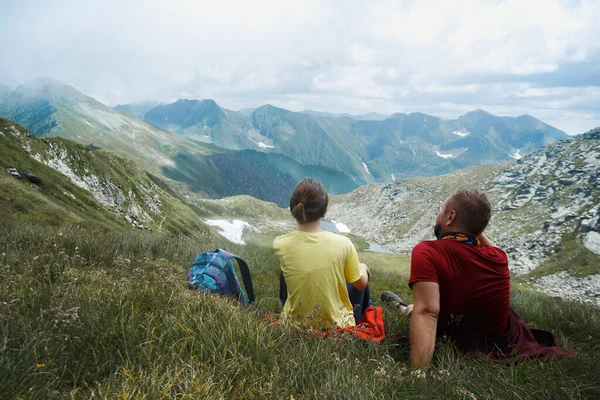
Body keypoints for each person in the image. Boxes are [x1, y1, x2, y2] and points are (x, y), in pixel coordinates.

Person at [382, 189, 572, 367]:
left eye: (442, 210)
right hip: (499, 342)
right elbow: (494, 247)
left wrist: (418, 373)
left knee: (417, 309)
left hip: (456, 337)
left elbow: (428, 311)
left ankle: (403, 308)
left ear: (451, 216)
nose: (438, 214)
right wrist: (473, 225)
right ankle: (403, 308)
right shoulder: (498, 257)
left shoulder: (427, 251)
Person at [273, 178, 371, 330]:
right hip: (336, 329)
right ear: (324, 211)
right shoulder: (344, 244)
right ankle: (362, 319)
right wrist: (363, 268)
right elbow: (360, 284)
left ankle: (284, 308)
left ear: (294, 208)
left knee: (284, 271)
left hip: (294, 326)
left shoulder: (280, 244)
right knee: (358, 276)